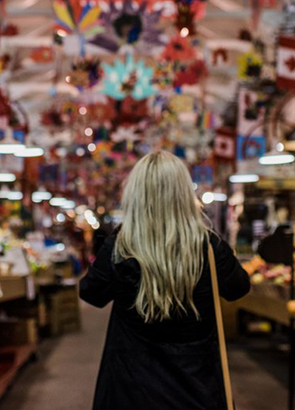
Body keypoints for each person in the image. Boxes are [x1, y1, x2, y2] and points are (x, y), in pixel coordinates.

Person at [80, 151, 251, 409]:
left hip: (131, 391)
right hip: (196, 392)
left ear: (136, 194)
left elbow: (91, 293)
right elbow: (239, 287)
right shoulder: (209, 246)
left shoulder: (120, 247)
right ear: (183, 194)